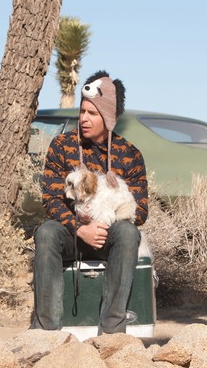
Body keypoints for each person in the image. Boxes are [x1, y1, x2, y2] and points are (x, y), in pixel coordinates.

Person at [31, 70, 149, 334]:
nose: (83, 118)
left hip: (108, 237)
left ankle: (112, 331)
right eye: (82, 111)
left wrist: (107, 217)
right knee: (47, 232)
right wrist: (80, 228)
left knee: (129, 233)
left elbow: (141, 210)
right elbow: (50, 199)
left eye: (92, 114)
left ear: (109, 117)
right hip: (72, 236)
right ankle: (45, 333)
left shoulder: (129, 155)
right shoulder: (61, 146)